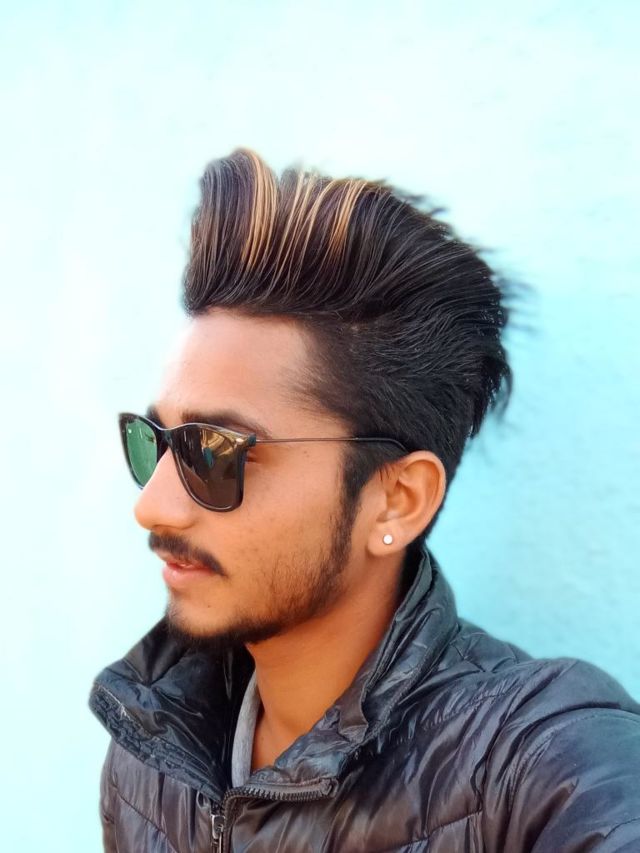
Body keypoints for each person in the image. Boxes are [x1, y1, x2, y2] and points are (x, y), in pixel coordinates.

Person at [89, 149, 640, 852]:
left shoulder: (540, 760)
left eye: (215, 452)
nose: (154, 507)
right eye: (155, 444)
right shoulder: (152, 752)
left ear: (397, 500)